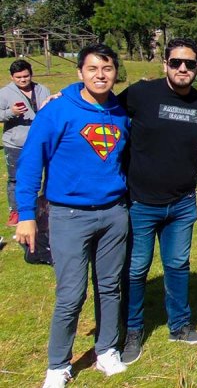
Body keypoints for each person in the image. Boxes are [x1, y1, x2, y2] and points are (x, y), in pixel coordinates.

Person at [15, 45, 130, 388]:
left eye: (107, 68)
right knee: (71, 293)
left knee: (110, 287)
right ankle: (58, 364)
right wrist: (26, 214)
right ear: (80, 72)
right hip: (68, 215)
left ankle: (107, 349)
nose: (100, 74)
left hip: (113, 212)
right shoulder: (58, 110)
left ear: (114, 73)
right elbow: (32, 162)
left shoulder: (120, 112)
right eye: (93, 68)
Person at [119, 38, 197, 365]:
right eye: (176, 62)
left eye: (189, 64)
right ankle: (133, 331)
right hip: (141, 203)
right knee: (136, 269)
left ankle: (179, 326)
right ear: (165, 64)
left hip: (181, 204)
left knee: (177, 266)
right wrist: (68, 95)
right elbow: (101, 105)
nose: (183, 69)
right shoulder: (141, 94)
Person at [0, 60, 50, 226]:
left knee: (45, 175)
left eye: (26, 76)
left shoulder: (43, 89)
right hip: (16, 144)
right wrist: (11, 112)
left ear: (31, 73)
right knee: (16, 178)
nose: (23, 80)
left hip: (40, 141)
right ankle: (16, 211)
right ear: (12, 77)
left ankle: (44, 206)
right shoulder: (5, 93)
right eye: (18, 77)